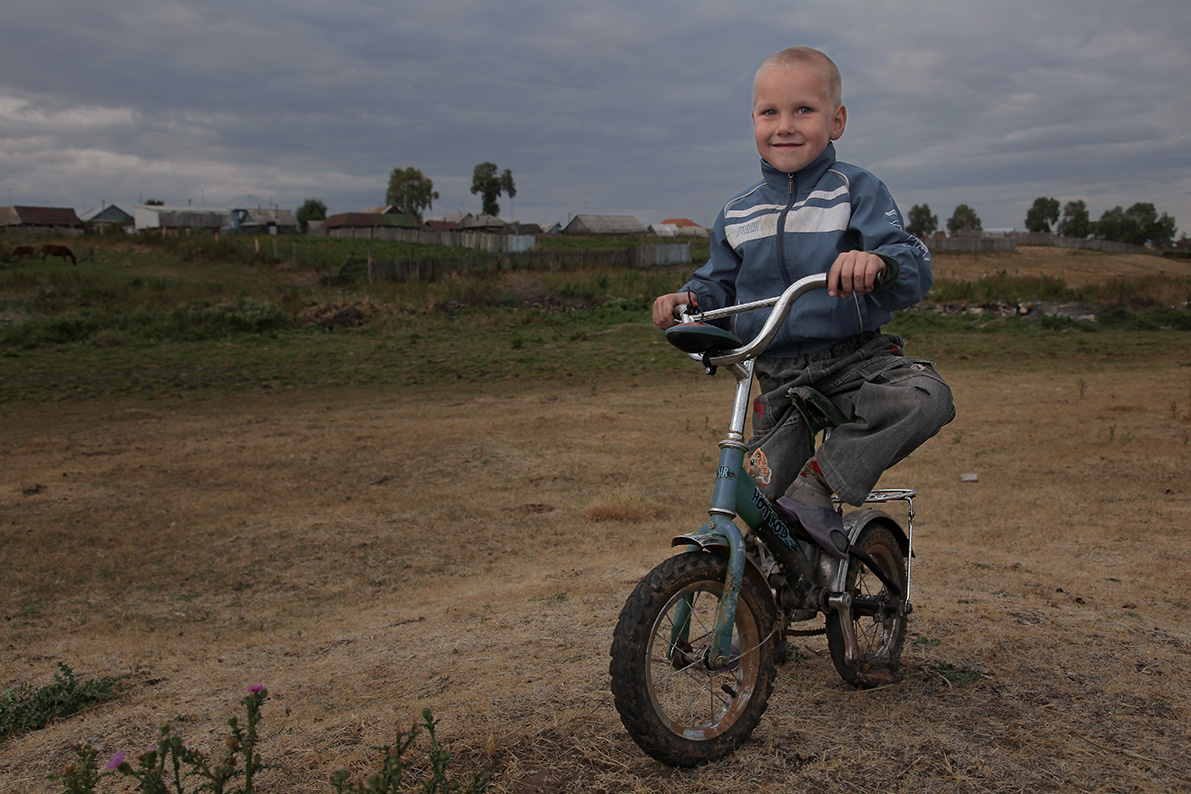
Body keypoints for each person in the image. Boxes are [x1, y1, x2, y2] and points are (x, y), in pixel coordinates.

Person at [652, 46, 954, 559]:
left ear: (836, 121)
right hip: (778, 373)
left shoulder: (856, 190)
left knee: (927, 397)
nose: (785, 126)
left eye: (804, 111)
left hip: (856, 359)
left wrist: (876, 263)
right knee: (758, 502)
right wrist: (688, 300)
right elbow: (717, 286)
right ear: (753, 121)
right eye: (770, 112)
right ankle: (763, 606)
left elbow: (910, 261)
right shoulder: (738, 212)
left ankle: (819, 483)